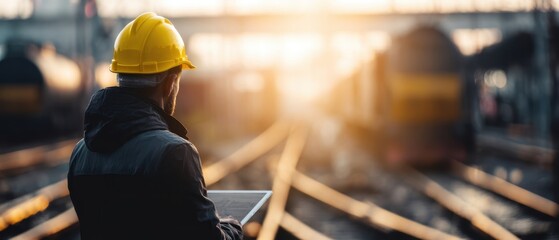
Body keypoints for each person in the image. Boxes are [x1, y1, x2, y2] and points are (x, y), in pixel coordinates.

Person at [67, 12, 243, 240]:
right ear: (170, 83)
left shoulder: (80, 154)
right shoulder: (175, 153)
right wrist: (231, 228)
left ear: (119, 75)